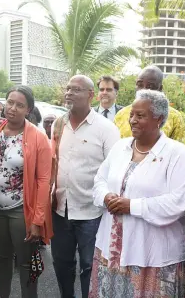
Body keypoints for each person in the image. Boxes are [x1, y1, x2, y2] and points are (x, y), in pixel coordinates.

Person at [89, 89, 185, 297]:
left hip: (153, 255)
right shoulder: (120, 147)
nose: (133, 120)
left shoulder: (177, 153)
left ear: (159, 119)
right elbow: (99, 180)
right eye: (132, 114)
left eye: (140, 116)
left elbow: (180, 201)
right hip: (111, 251)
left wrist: (132, 206)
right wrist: (106, 196)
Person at [0, 85, 53, 298]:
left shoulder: (38, 138)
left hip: (22, 209)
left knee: (27, 263)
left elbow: (44, 180)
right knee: (1, 258)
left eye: (20, 105)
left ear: (28, 110)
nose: (13, 108)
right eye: (10, 102)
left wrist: (37, 220)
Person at [51, 75, 120, 298]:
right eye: (68, 88)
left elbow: (115, 171)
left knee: (90, 267)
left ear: (91, 95)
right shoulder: (58, 124)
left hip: (92, 213)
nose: (69, 93)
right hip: (60, 208)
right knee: (62, 264)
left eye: (76, 90)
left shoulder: (106, 129)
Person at [114, 65, 185, 145]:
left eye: (150, 86)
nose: (144, 89)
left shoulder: (175, 117)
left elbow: (180, 150)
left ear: (160, 88)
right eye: (140, 85)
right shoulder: (120, 115)